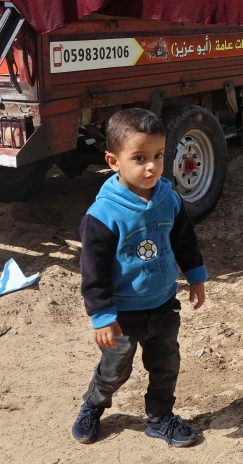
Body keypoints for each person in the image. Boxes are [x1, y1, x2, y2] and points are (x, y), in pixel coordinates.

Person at [71, 108, 207, 446]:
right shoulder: (103, 215)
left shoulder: (169, 199)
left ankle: (160, 418)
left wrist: (196, 277)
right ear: (113, 161)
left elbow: (184, 240)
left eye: (159, 156)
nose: (152, 166)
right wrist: (101, 316)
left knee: (166, 366)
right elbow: (94, 271)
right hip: (122, 315)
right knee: (115, 369)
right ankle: (93, 404)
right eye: (140, 158)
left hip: (163, 305)